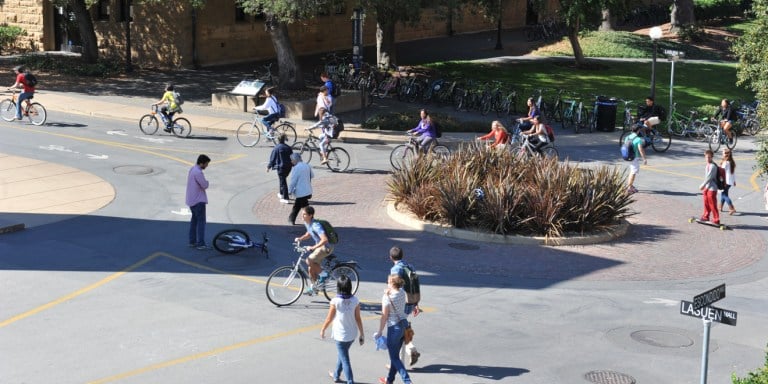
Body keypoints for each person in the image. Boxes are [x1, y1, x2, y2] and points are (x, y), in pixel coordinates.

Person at [320, 275, 364, 384]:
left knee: (345, 359)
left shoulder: (335, 301)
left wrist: (323, 329)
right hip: (352, 335)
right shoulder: (355, 300)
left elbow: (329, 318)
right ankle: (336, 375)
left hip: (340, 336)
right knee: (342, 355)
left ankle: (350, 381)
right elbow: (358, 319)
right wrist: (361, 334)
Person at [375, 274, 413, 384]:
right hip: (403, 325)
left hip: (393, 328)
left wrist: (380, 331)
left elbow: (384, 316)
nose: (387, 283)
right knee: (395, 355)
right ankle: (389, 380)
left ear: (392, 283)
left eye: (388, 282)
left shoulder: (387, 298)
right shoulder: (401, 292)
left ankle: (407, 381)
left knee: (394, 358)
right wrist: (388, 292)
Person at [388, 246, 421, 367]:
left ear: (391, 257)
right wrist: (416, 303)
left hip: (402, 302)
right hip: (411, 301)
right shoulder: (410, 266)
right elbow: (415, 285)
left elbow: (395, 288)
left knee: (398, 331)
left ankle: (399, 361)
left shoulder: (395, 269)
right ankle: (410, 351)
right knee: (403, 326)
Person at [294, 206, 333, 295]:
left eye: (304, 214)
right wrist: (300, 239)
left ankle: (324, 275)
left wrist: (313, 247)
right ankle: (314, 288)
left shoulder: (316, 225)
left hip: (326, 247)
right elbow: (309, 233)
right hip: (320, 247)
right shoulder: (308, 223)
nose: (302, 216)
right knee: (310, 267)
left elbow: (324, 239)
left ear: (310, 215)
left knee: (309, 260)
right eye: (302, 214)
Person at [186, 154, 210, 250]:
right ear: (201, 163)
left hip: (191, 200)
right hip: (198, 201)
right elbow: (205, 185)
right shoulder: (198, 173)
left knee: (194, 221)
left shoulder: (192, 169)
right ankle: (201, 243)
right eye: (206, 164)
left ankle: (192, 241)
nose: (207, 166)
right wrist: (207, 182)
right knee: (201, 222)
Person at [267, 133, 293, 203]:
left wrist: (269, 166)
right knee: (282, 180)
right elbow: (292, 157)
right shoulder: (288, 147)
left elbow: (272, 158)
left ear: (278, 140)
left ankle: (285, 198)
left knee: (283, 181)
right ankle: (281, 193)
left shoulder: (277, 148)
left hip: (281, 167)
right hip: (289, 167)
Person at [288, 153, 313, 225]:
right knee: (298, 205)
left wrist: (290, 191)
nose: (291, 162)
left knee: (304, 207)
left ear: (295, 160)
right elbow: (312, 175)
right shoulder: (307, 165)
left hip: (300, 192)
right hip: (308, 190)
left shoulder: (296, 168)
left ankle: (310, 220)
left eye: (292, 160)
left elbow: (293, 181)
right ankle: (291, 219)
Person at [699, 149, 721, 225]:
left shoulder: (712, 166)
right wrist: (705, 187)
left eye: (709, 157)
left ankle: (716, 219)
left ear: (712, 157)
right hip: (707, 187)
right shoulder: (708, 165)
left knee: (712, 204)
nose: (707, 159)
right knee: (706, 203)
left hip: (712, 188)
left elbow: (709, 177)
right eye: (706, 157)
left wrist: (703, 185)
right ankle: (706, 216)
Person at [625, 124, 648, 195]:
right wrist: (644, 158)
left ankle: (630, 185)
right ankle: (629, 188)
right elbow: (640, 149)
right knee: (633, 172)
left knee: (632, 170)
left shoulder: (627, 137)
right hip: (634, 157)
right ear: (638, 131)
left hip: (627, 156)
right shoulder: (638, 139)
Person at [719, 148, 737, 215]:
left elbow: (722, 172)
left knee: (724, 195)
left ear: (725, 154)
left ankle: (732, 208)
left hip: (725, 181)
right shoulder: (731, 162)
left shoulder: (725, 163)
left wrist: (722, 181)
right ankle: (720, 207)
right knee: (723, 194)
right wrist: (734, 181)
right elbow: (733, 173)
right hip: (730, 181)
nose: (722, 154)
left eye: (723, 153)